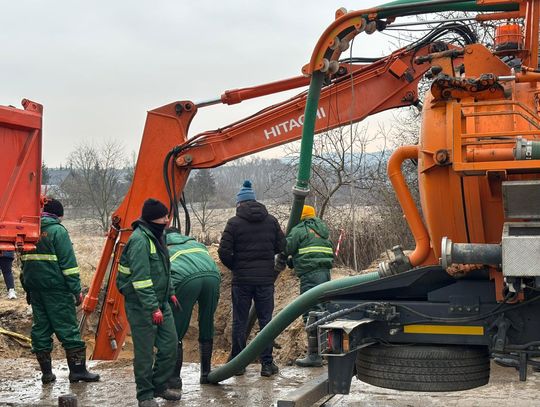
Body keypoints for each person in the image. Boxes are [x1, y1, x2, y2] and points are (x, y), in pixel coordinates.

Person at [20, 198, 100, 384]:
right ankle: (78, 371)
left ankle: (47, 374)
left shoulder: (29, 230)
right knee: (67, 328)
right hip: (56, 289)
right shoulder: (58, 231)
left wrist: (27, 287)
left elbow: (23, 263)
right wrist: (76, 289)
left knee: (41, 329)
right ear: (59, 216)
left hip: (35, 289)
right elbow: (68, 265)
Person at [117, 198, 181, 407]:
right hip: (142, 306)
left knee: (170, 345)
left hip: (160, 302)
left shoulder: (156, 236)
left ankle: (160, 386)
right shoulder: (140, 241)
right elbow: (141, 279)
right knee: (145, 352)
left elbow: (164, 269)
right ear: (154, 219)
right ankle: (145, 395)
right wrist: (153, 307)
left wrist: (170, 292)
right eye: (164, 217)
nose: (167, 221)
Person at [218, 180, 285, 377]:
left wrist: (235, 267)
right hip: (265, 280)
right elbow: (282, 247)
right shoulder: (271, 221)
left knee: (239, 321)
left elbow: (223, 251)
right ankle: (266, 364)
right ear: (255, 201)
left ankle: (238, 364)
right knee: (266, 321)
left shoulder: (234, 223)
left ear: (239, 203)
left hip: (242, 281)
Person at [165, 228, 221, 388]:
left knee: (176, 331)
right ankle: (206, 374)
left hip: (185, 279)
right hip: (212, 276)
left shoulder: (163, 246)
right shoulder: (195, 243)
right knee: (206, 322)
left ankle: (174, 379)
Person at [285, 205, 334, 367]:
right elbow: (313, 250)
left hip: (310, 274)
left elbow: (287, 248)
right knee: (323, 309)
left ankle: (314, 356)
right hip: (325, 273)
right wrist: (296, 260)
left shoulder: (300, 229)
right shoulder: (322, 229)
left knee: (311, 311)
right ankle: (326, 351)